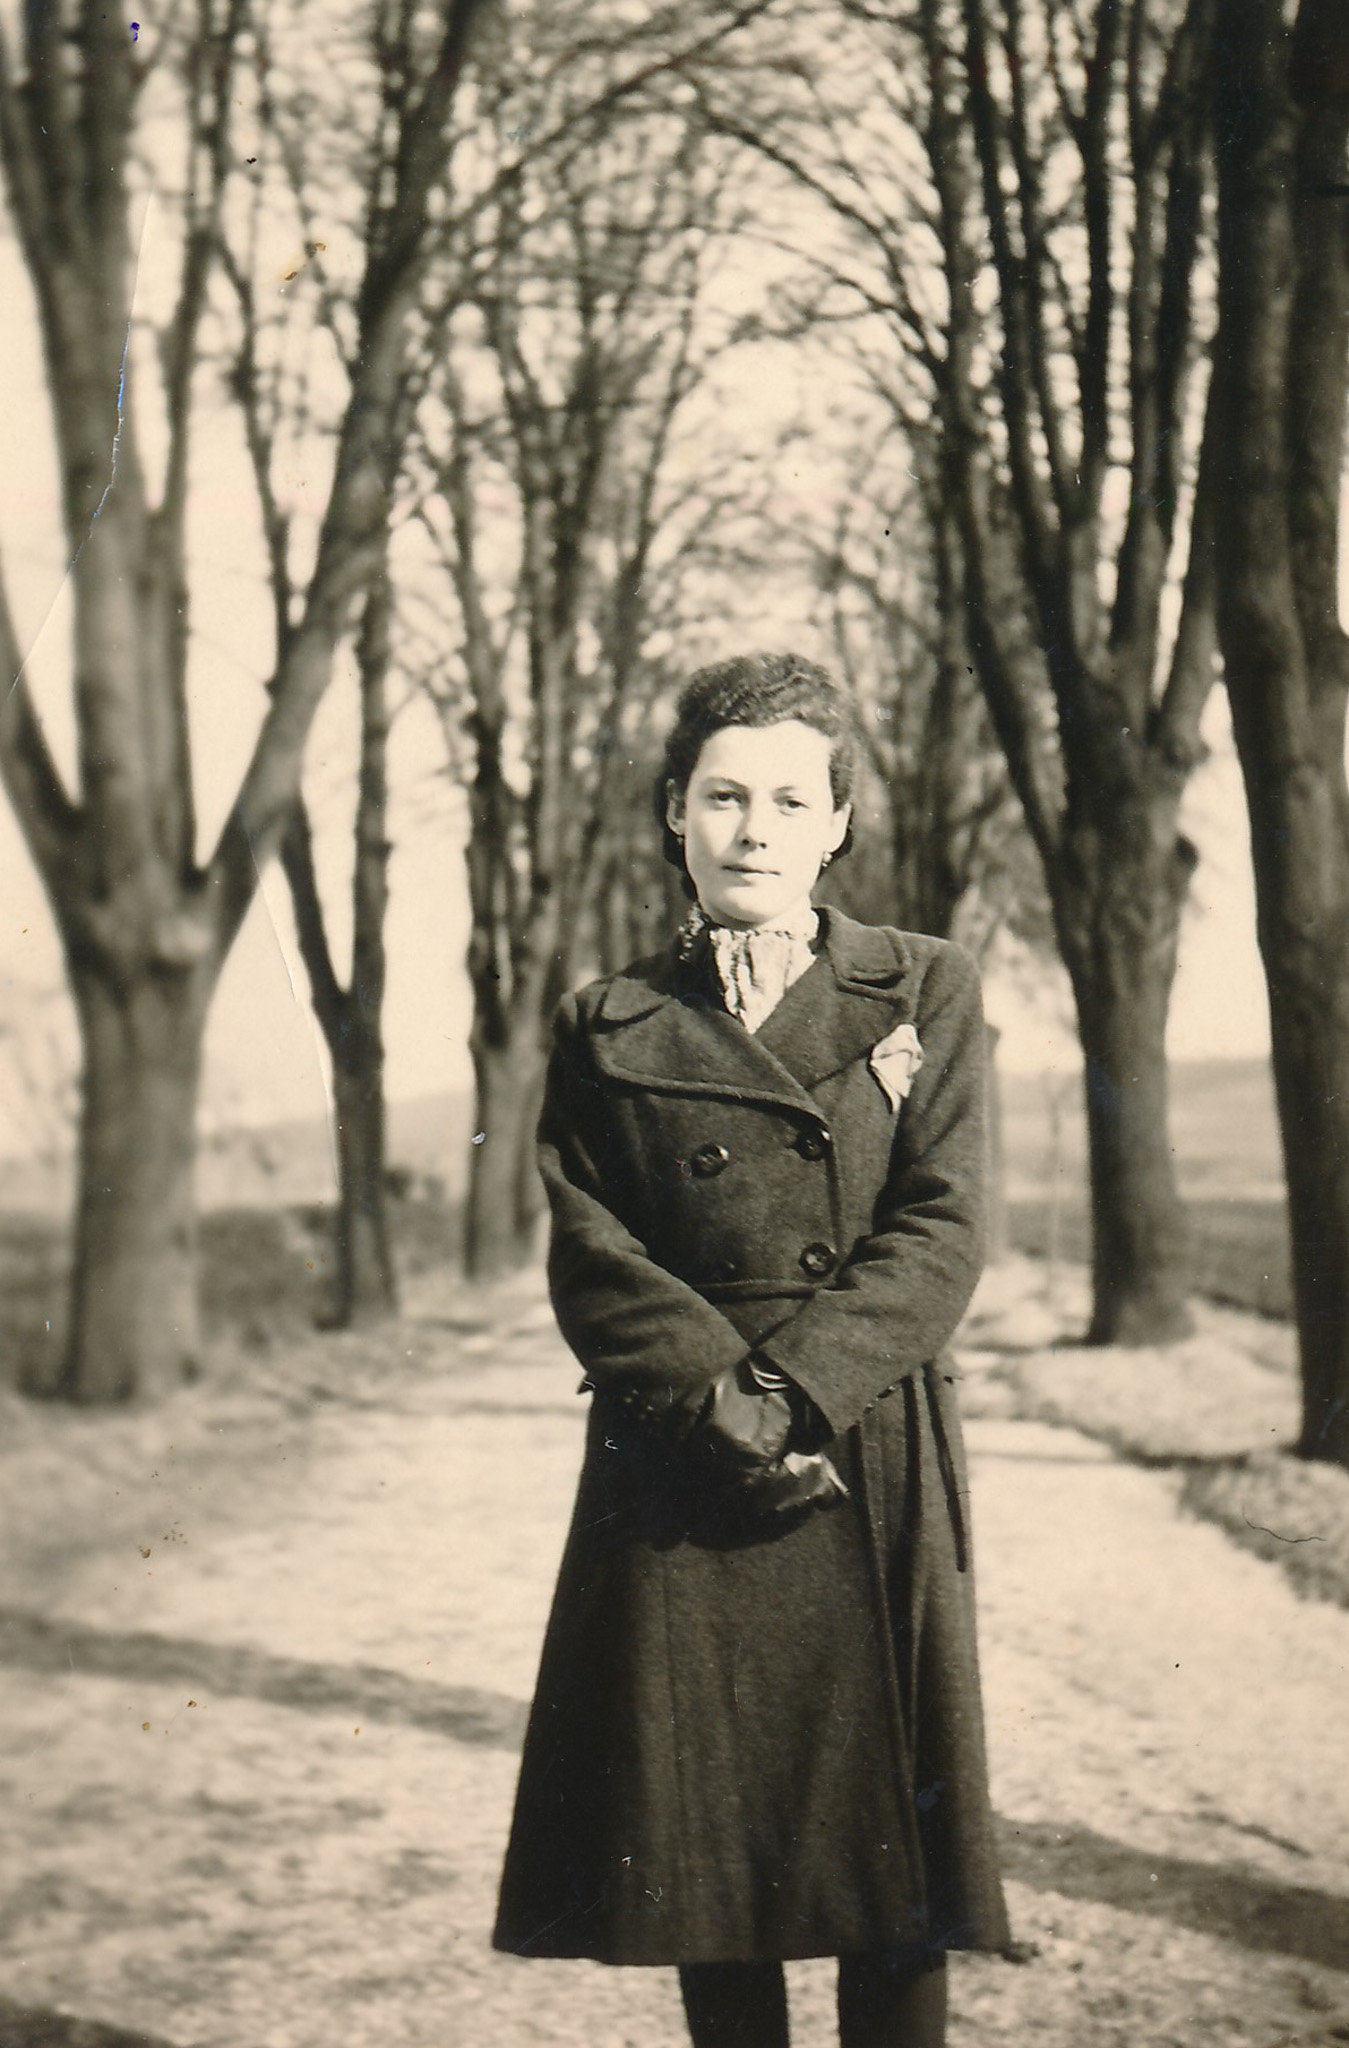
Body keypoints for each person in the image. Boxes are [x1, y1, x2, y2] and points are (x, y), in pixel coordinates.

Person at [494, 653, 1010, 2046]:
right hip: (682, 1455)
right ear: (676, 811)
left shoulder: (924, 987)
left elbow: (942, 1227)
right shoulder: (607, 1021)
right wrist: (710, 1398)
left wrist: (786, 1390)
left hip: (860, 1444)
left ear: (837, 823)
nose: (754, 830)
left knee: (889, 1864)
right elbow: (591, 1247)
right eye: (723, 796)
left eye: (790, 800)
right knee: (708, 1849)